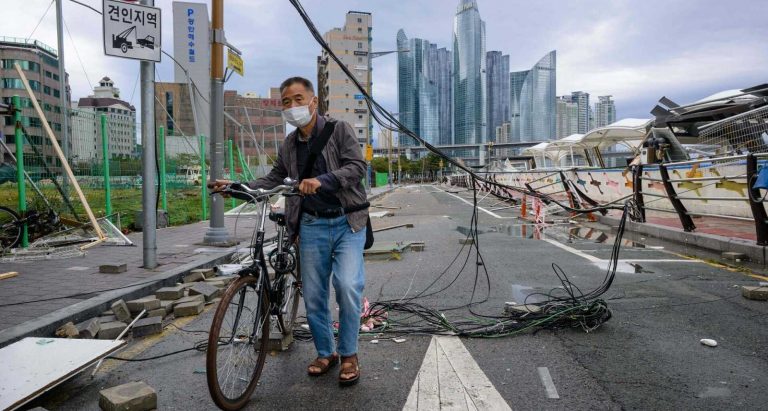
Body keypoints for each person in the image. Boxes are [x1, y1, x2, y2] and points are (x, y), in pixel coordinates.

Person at [209, 76, 368, 386]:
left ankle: (349, 353)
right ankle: (327, 352)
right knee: (313, 294)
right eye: (286, 102)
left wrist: (324, 180)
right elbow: (273, 179)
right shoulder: (289, 145)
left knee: (348, 287)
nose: (292, 106)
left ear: (313, 102)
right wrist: (236, 187)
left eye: (298, 99)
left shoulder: (339, 130)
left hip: (348, 222)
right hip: (310, 225)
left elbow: (357, 167)